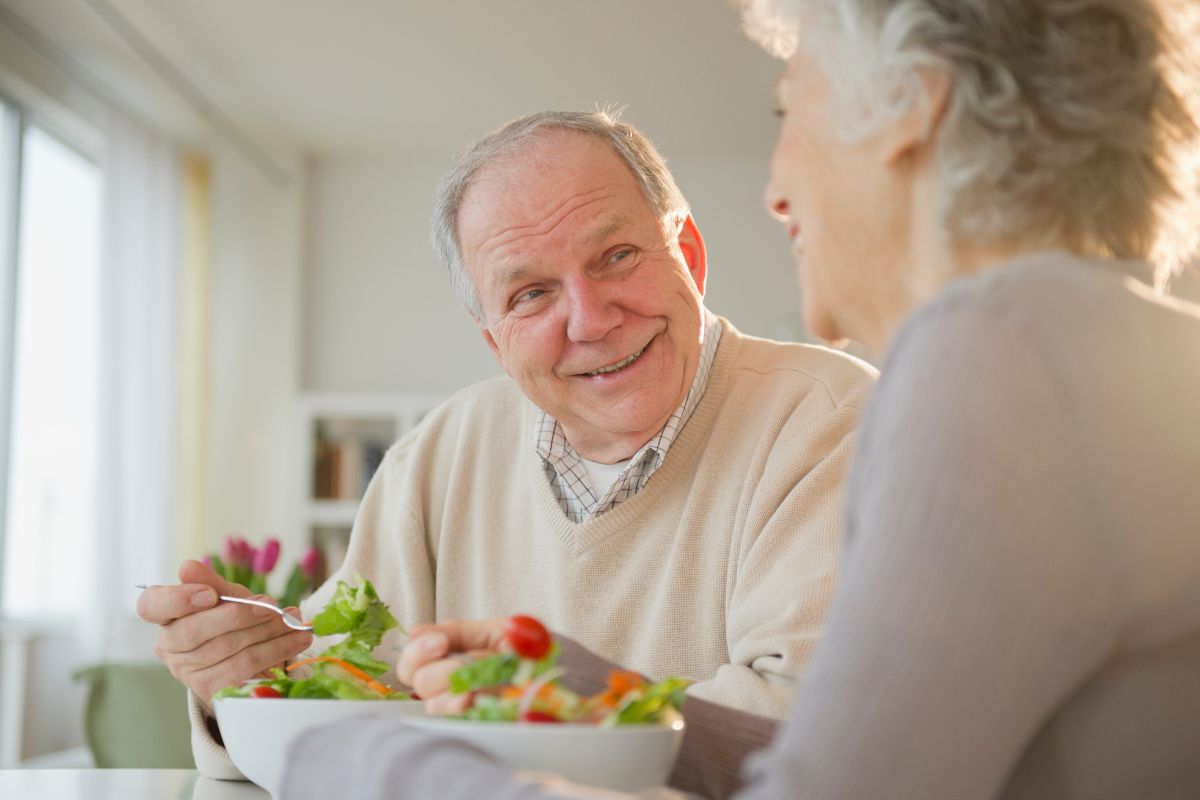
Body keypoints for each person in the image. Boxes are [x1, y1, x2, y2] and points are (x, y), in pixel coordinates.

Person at [278, 0, 1200, 798]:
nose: (776, 187)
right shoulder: (1099, 343)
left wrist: (367, 765)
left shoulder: (995, 358)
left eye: (788, 111)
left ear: (913, 107)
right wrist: (592, 694)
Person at [136, 110, 875, 787]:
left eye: (617, 256)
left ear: (688, 254)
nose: (589, 320)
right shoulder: (438, 453)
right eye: (530, 295)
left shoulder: (833, 421)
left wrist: (518, 720)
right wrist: (249, 672)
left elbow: (817, 735)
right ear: (495, 340)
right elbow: (346, 690)